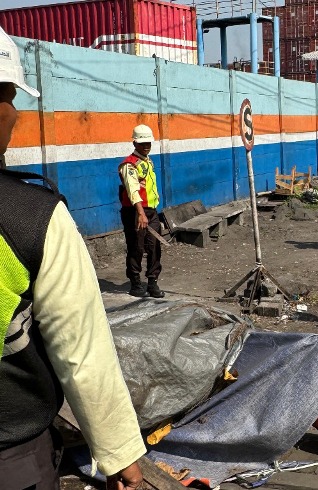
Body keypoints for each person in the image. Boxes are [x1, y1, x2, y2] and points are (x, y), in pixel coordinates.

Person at [0, 25, 145, 488]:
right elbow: (83, 354)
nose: (18, 115)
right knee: (138, 260)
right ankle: (141, 282)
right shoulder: (30, 216)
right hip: (12, 454)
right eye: (11, 99)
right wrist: (119, 452)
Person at [119, 124, 165, 298]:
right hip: (135, 212)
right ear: (134, 143)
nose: (146, 146)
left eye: (149, 143)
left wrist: (150, 212)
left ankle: (152, 282)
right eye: (142, 143)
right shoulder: (129, 165)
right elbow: (132, 191)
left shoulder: (148, 161)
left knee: (154, 247)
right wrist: (141, 214)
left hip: (151, 211)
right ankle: (136, 283)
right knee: (136, 247)